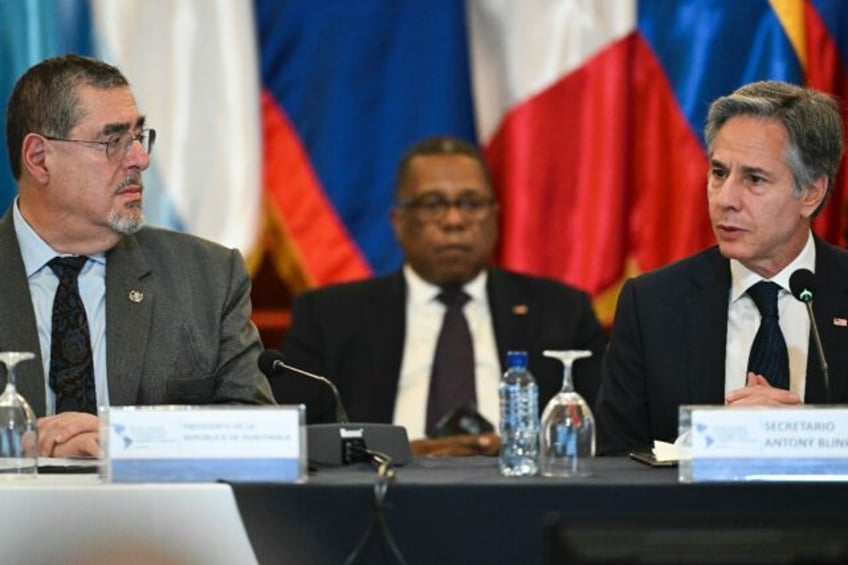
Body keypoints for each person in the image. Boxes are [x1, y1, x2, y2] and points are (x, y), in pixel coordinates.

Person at [2, 54, 274, 458]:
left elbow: (257, 432)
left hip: (158, 520)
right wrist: (14, 445)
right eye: (113, 141)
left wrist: (126, 437)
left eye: (139, 136)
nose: (140, 159)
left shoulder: (208, 277)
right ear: (40, 158)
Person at [274, 135, 606, 454]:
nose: (454, 220)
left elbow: (604, 432)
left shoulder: (561, 310)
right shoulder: (330, 316)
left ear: (494, 216)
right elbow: (297, 439)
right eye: (433, 204)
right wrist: (397, 453)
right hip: (383, 494)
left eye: (471, 203)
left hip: (523, 494)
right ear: (399, 222)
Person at [595, 80, 848, 455]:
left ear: (810, 192)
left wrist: (805, 435)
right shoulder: (651, 304)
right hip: (692, 515)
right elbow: (614, 461)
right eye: (718, 173)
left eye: (755, 179)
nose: (726, 199)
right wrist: (710, 443)